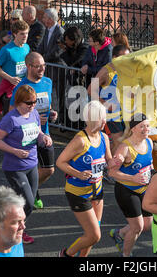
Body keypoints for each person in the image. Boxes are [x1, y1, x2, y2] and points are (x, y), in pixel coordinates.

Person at [0, 85, 53, 244]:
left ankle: (7, 223)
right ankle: (14, 230)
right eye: (29, 102)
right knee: (27, 202)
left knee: (28, 202)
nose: (32, 105)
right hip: (15, 167)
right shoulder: (10, 119)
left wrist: (44, 137)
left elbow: (38, 131)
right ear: (19, 102)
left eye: (34, 102)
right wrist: (14, 151)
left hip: (32, 164)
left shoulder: (34, 113)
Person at [55, 100, 112, 257]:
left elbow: (109, 161)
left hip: (97, 191)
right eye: (102, 118)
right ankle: (66, 254)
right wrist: (78, 174)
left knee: (93, 235)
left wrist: (123, 157)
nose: (105, 121)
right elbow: (60, 162)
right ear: (94, 119)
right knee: (94, 235)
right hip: (78, 193)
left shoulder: (104, 138)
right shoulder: (80, 140)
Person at [9, 52, 58, 209]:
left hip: (45, 132)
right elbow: (12, 114)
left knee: (48, 170)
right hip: (26, 136)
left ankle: (31, 190)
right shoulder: (21, 87)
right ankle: (27, 194)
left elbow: (46, 105)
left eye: (44, 66)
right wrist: (32, 118)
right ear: (29, 66)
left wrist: (51, 113)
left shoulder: (47, 82)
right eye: (38, 66)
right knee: (29, 169)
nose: (42, 69)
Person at [108, 113, 153, 257]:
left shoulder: (149, 142)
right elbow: (112, 173)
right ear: (133, 129)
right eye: (142, 126)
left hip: (144, 188)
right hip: (126, 190)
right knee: (137, 227)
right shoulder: (125, 148)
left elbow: (148, 165)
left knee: (147, 224)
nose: (146, 129)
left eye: (147, 126)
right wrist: (132, 178)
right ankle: (126, 255)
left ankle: (120, 234)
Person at [87, 44, 130, 153]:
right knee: (119, 141)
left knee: (125, 141)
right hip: (110, 114)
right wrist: (106, 104)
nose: (127, 61)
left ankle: (104, 160)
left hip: (124, 112)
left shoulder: (126, 71)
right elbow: (91, 90)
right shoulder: (106, 71)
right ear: (115, 58)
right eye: (124, 57)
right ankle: (111, 165)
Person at [0, 20, 30, 116]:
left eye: (26, 33)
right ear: (14, 34)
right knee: (9, 116)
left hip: (22, 85)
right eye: (22, 34)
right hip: (9, 87)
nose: (25, 36)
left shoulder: (27, 47)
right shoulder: (6, 50)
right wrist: (10, 78)